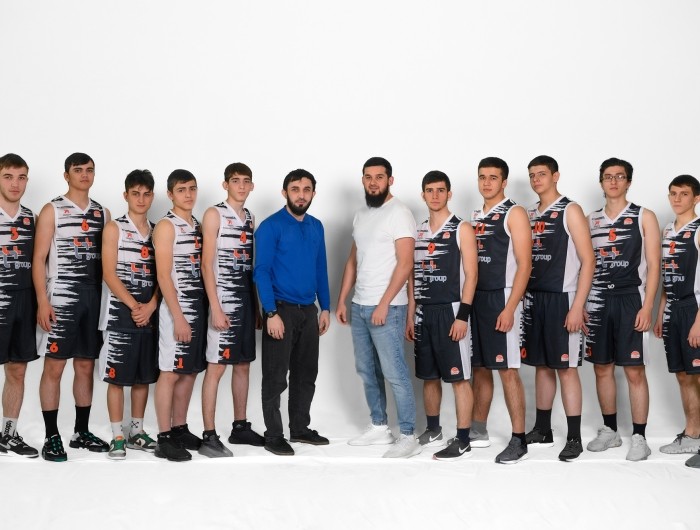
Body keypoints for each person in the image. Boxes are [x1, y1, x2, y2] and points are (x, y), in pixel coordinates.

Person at [337, 156, 420, 459]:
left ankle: (408, 435)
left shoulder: (400, 213)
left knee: (394, 371)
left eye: (379, 177)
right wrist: (343, 299)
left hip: (388, 307)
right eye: (368, 177)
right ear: (363, 180)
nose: (373, 182)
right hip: (360, 305)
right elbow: (353, 260)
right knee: (367, 369)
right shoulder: (361, 215)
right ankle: (379, 426)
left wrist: (384, 303)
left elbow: (406, 263)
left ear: (390, 180)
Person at [34, 152, 111, 462]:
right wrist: (42, 301)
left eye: (89, 170)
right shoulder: (52, 209)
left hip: (93, 296)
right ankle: (51, 435)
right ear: (66, 175)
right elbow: (38, 259)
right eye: (78, 170)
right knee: (54, 366)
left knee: (85, 366)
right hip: (61, 295)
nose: (84, 175)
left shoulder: (102, 213)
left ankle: (81, 432)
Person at [585, 158, 660, 462]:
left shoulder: (644, 216)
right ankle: (610, 431)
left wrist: (648, 306)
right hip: (599, 299)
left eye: (619, 177)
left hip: (631, 298)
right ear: (601, 182)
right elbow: (583, 266)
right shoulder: (590, 219)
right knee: (602, 367)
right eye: (608, 177)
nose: (613, 181)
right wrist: (583, 304)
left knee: (634, 369)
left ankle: (640, 436)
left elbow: (654, 265)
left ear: (628, 182)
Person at [521, 155, 595, 461]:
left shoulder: (570, 209)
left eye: (541, 174)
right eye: (532, 175)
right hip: (534, 298)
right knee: (541, 365)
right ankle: (543, 429)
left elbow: (589, 260)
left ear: (555, 176)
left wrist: (578, 305)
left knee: (565, 369)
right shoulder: (528, 213)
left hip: (562, 298)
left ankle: (574, 437)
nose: (536, 179)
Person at [254, 169, 331, 456]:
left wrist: (325, 307)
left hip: (308, 311)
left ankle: (299, 428)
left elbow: (320, 268)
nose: (301, 195)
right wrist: (270, 312)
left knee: (306, 374)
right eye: (295, 189)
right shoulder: (271, 226)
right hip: (281, 309)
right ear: (285, 192)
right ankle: (273, 434)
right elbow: (261, 271)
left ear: (313, 193)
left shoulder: (316, 226)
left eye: (306, 189)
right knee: (276, 377)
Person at [405, 170, 477, 460]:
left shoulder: (462, 228)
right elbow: (412, 276)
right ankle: (433, 429)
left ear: (449, 193)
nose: (435, 195)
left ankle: (463, 440)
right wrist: (411, 314)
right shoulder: (418, 232)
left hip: (451, 310)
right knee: (429, 376)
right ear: (422, 194)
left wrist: (463, 316)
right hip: (424, 312)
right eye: (429, 190)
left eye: (440, 190)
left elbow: (472, 275)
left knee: (459, 379)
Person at [469, 157, 532, 464]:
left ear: (504, 182)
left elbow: (525, 264)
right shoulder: (475, 215)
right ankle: (477, 430)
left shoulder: (514, 212)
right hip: (477, 299)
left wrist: (510, 307)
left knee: (507, 370)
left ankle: (519, 439)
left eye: (493, 177)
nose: (487, 182)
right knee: (480, 367)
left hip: (502, 297)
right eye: (482, 177)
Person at [200, 163, 264, 457]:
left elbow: (250, 265)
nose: (241, 186)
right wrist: (215, 307)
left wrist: (257, 306)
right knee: (216, 367)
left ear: (252, 186)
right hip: (223, 299)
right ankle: (209, 435)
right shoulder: (214, 214)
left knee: (243, 364)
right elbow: (206, 265)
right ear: (225, 185)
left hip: (245, 299)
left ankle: (240, 427)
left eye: (245, 181)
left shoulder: (250, 217)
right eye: (235, 181)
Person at [98, 170, 159, 460]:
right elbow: (109, 274)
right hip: (119, 315)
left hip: (149, 314)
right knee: (117, 378)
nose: (141, 199)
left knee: (142, 377)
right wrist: (136, 307)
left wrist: (152, 305)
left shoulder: (158, 230)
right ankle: (117, 436)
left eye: (146, 194)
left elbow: (164, 275)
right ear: (126, 196)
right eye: (135, 193)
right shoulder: (115, 228)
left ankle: (137, 431)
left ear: (153, 196)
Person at [152, 169, 206, 461]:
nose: (188, 194)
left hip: (197, 305)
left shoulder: (196, 224)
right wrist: (179, 317)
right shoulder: (166, 226)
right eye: (182, 189)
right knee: (170, 372)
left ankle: (179, 428)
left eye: (192, 188)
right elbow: (163, 276)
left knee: (190, 370)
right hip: (177, 308)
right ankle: (163, 438)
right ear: (170, 194)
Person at [653, 175, 700, 469]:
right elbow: (665, 276)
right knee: (683, 375)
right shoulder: (667, 229)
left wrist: (699, 322)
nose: (677, 199)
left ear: (696, 198)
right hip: (673, 309)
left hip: (695, 309)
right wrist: (661, 312)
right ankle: (692, 434)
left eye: (684, 194)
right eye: (673, 193)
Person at [0, 154, 39, 458]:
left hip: (24, 300)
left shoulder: (32, 218)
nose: (15, 184)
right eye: (8, 176)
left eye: (21, 177)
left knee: (17, 370)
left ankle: (8, 435)